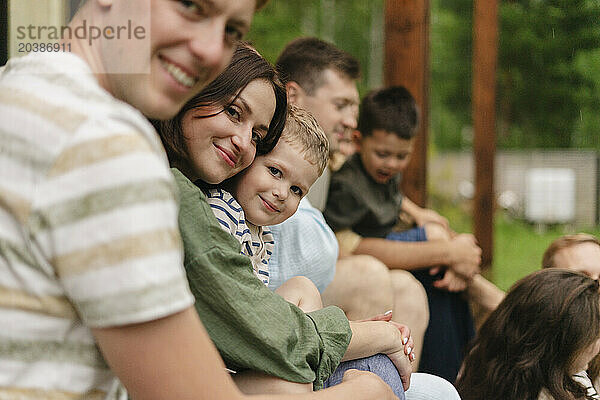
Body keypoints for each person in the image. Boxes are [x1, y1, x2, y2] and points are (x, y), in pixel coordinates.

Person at [0, 0, 404, 399]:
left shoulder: (24, 84)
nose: (211, 50)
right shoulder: (107, 146)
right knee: (382, 377)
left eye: (232, 32)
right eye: (192, 6)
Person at [155, 43, 416, 398]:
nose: (242, 141)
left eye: (258, 136)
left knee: (309, 294)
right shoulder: (208, 209)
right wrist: (368, 337)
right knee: (374, 385)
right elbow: (260, 329)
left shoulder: (245, 219)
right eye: (234, 112)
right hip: (203, 373)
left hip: (244, 359)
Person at [270, 37, 432, 368]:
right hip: (272, 285)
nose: (352, 121)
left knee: (408, 290)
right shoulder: (270, 149)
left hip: (311, 278)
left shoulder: (328, 157)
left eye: (353, 107)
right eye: (341, 105)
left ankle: (394, 387)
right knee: (368, 275)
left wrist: (416, 212)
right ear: (293, 96)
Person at [323, 86, 479, 382]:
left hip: (387, 241)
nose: (392, 164)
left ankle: (461, 364)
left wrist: (419, 213)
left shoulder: (382, 171)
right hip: (369, 251)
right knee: (436, 249)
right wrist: (446, 250)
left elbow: (393, 199)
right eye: (383, 154)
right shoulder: (348, 184)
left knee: (439, 248)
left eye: (401, 157)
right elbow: (342, 240)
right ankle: (454, 371)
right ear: (358, 141)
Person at [455, 268, 600, 400]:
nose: (597, 345)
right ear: (563, 343)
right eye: (595, 336)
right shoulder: (555, 389)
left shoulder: (486, 366)